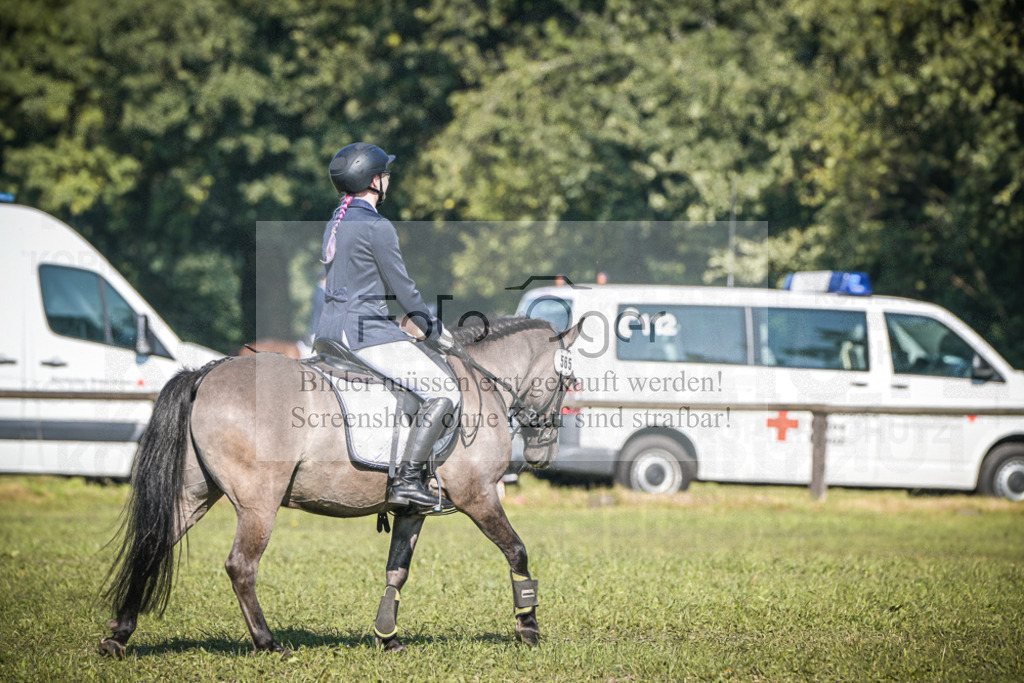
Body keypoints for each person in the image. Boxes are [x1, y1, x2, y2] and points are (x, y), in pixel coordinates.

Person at [315, 142, 458, 509]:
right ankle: (407, 482)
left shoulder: (337, 220)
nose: (388, 179)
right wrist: (431, 329)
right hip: (365, 334)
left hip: (329, 332)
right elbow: (403, 289)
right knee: (445, 391)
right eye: (385, 174)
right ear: (374, 181)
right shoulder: (377, 226)